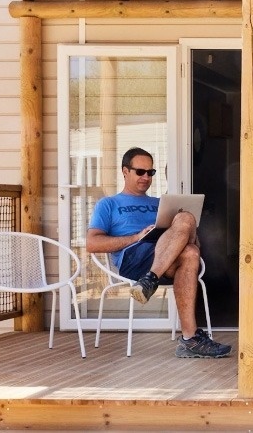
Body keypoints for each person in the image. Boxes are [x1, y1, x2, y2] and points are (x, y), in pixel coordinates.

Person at [86, 147, 232, 359]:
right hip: (134, 257)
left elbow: (192, 242)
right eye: (140, 172)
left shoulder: (160, 204)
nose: (146, 177)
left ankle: (187, 336)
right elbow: (92, 243)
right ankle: (151, 281)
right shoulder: (109, 204)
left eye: (150, 173)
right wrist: (136, 237)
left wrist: (188, 232)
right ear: (125, 171)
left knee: (189, 240)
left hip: (164, 257)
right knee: (187, 236)